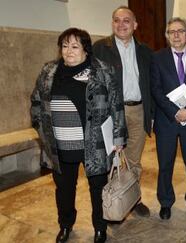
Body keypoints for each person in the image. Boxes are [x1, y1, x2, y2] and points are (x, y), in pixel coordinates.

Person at [31, 28, 126, 243]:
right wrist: (40, 125)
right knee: (64, 189)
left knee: (97, 188)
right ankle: (65, 225)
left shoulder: (102, 71)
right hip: (60, 144)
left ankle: (100, 228)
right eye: (64, 46)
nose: (68, 51)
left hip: (95, 143)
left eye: (74, 46)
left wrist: (119, 137)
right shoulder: (49, 71)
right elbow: (36, 100)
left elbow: (116, 106)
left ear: (86, 50)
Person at [93, 6, 153, 217]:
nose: (121, 24)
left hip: (138, 110)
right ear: (112, 23)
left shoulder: (145, 51)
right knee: (112, 159)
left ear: (135, 25)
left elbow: (151, 83)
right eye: (116, 20)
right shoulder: (100, 48)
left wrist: (151, 113)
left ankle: (133, 198)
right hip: (112, 113)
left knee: (134, 159)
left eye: (126, 20)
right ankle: (112, 202)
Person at [151, 17, 186, 220]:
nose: (176, 35)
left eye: (180, 31)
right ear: (167, 36)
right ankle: (165, 202)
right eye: (171, 31)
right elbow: (156, 90)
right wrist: (173, 111)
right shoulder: (157, 58)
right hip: (166, 120)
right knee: (165, 164)